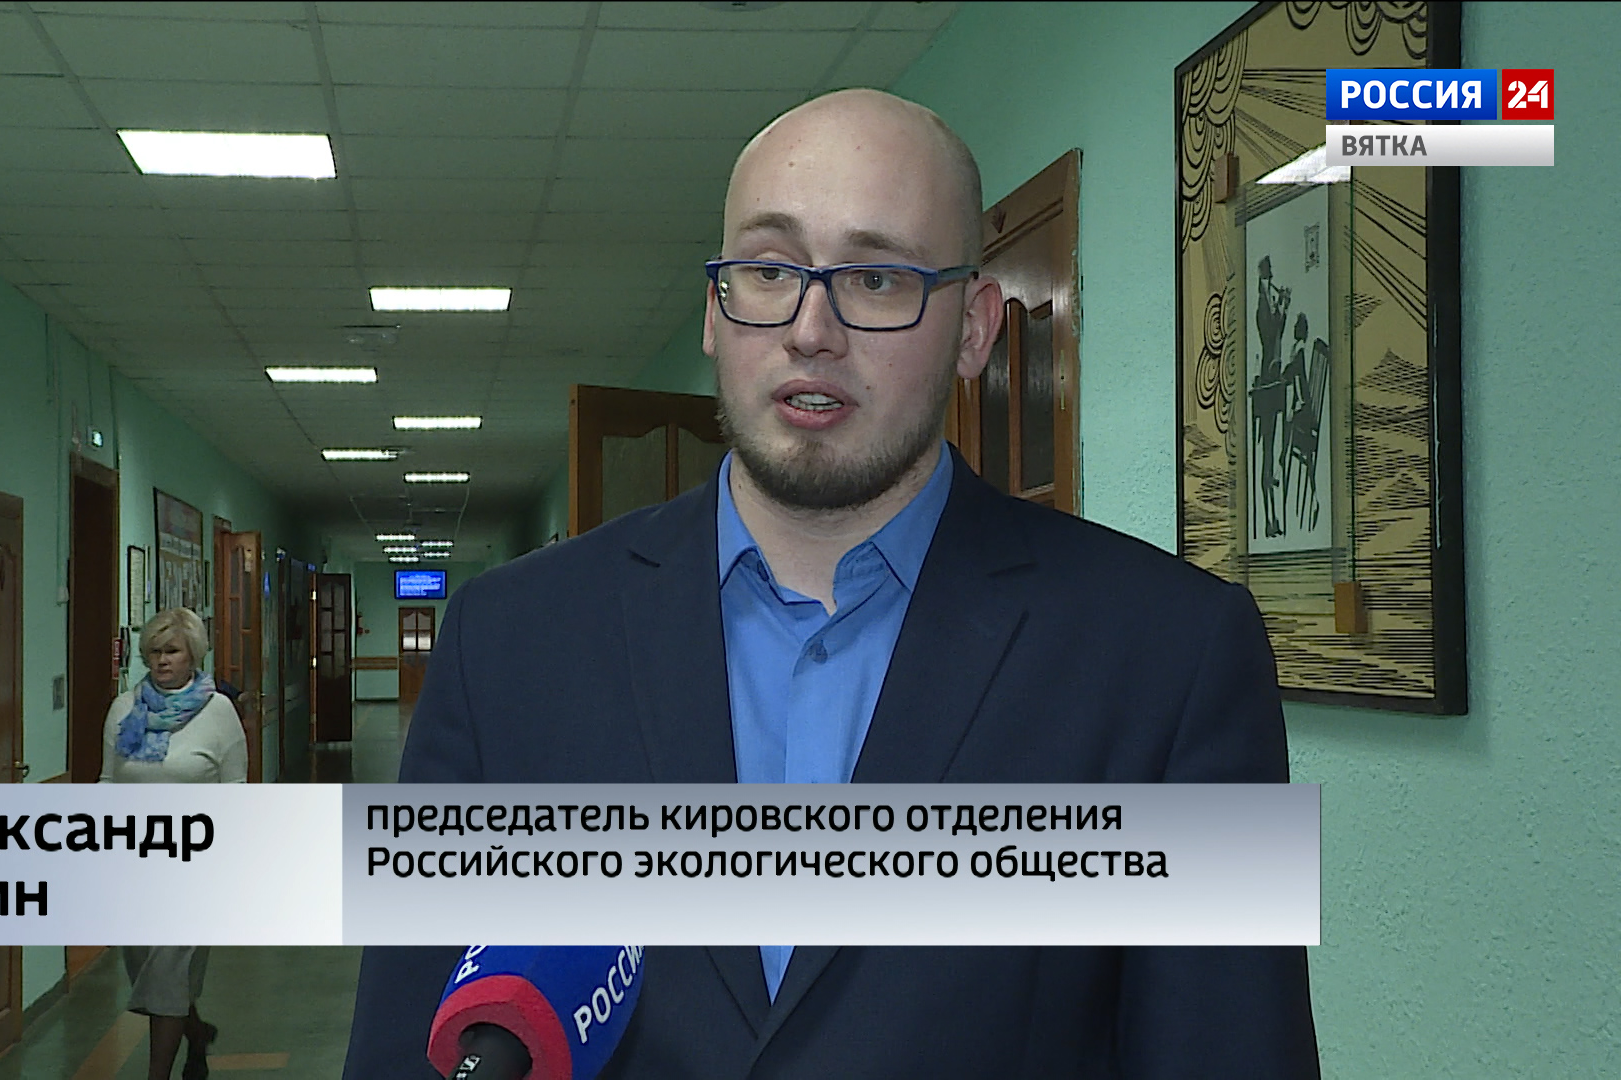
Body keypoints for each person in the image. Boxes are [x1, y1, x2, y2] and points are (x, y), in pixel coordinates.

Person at [342, 88, 1318, 1078]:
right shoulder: (508, 644)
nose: (811, 330)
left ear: (974, 329)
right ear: (715, 312)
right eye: (769, 270)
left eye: (878, 278)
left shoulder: (1169, 657)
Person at [101, 607, 246, 1080]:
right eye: (154, 652)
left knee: (167, 972)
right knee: (150, 969)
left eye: (172, 651)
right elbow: (108, 783)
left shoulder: (218, 712)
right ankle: (196, 1033)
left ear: (193, 655)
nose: (162, 661)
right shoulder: (125, 709)